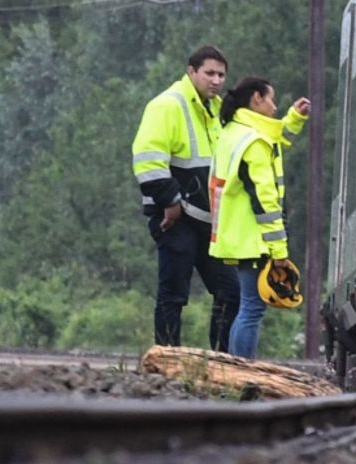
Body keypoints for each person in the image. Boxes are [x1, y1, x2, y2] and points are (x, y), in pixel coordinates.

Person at [131, 45, 237, 350]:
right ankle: (166, 360)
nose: (216, 80)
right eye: (210, 73)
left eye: (221, 74)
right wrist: (170, 201)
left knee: (230, 292)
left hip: (207, 221)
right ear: (191, 72)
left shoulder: (215, 110)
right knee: (174, 293)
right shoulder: (167, 105)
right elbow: (147, 158)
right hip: (173, 217)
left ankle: (221, 362)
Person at [208, 76, 311, 359]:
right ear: (256, 98)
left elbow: (276, 137)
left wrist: (295, 118)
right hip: (254, 237)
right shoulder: (253, 142)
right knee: (252, 308)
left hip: (237, 234)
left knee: (246, 306)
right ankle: (245, 374)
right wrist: (279, 251)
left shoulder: (234, 131)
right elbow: (265, 201)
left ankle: (235, 370)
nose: (275, 106)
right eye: (271, 99)